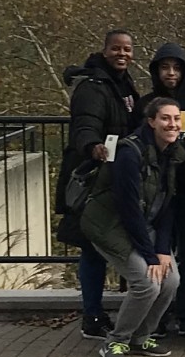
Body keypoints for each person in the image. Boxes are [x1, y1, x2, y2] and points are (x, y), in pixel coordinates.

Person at [82, 98, 185, 357]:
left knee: (171, 280)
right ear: (151, 121)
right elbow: (128, 208)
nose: (172, 124)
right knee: (146, 283)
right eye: (165, 118)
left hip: (145, 225)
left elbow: (169, 205)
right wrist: (150, 256)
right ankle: (115, 341)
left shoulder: (173, 153)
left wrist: (162, 250)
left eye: (176, 119)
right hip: (110, 226)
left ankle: (141, 337)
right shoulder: (130, 152)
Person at [56, 30, 141, 340]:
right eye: (116, 49)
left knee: (105, 245)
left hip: (116, 174)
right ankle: (91, 314)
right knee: (91, 248)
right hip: (94, 176)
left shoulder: (122, 83)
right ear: (104, 51)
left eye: (127, 49)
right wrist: (93, 147)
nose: (122, 54)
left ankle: (107, 312)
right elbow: (85, 126)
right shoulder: (93, 87)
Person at [134, 42, 185, 338]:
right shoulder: (145, 104)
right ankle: (156, 317)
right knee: (155, 254)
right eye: (165, 67)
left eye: (177, 68)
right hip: (156, 192)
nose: (171, 73)